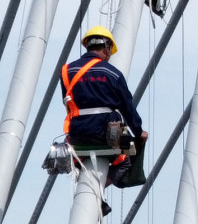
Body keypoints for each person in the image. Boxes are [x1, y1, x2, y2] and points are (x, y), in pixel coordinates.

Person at [60, 26, 147, 189]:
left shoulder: (67, 71)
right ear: (106, 48)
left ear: (88, 45)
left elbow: (67, 101)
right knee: (126, 161)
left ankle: (90, 189)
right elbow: (127, 107)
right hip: (109, 131)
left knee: (80, 161)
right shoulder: (113, 73)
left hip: (78, 131)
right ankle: (98, 192)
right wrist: (139, 131)